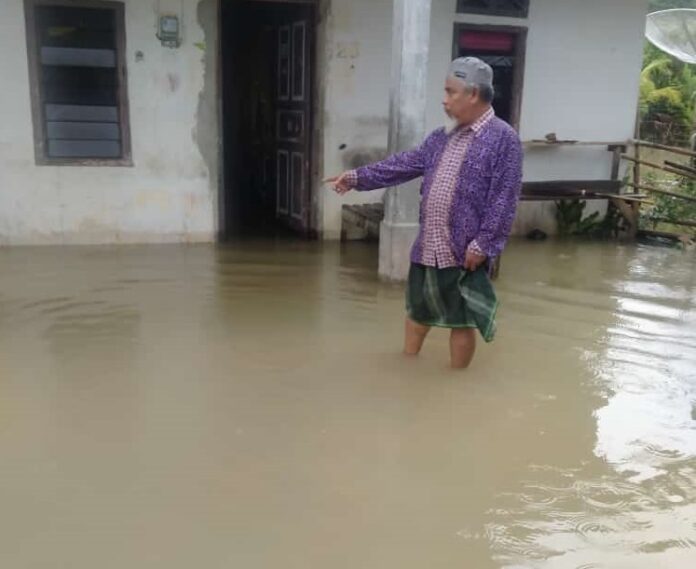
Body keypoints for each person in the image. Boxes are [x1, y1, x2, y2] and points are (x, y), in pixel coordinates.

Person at [326, 57, 523, 368]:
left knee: (461, 321)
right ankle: (407, 368)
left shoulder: (503, 139)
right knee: (417, 313)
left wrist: (484, 244)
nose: (444, 100)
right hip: (429, 244)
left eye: (450, 92)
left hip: (464, 249)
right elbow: (403, 164)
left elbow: (504, 198)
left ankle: (456, 382)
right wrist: (356, 177)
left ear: (473, 94)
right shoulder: (441, 136)